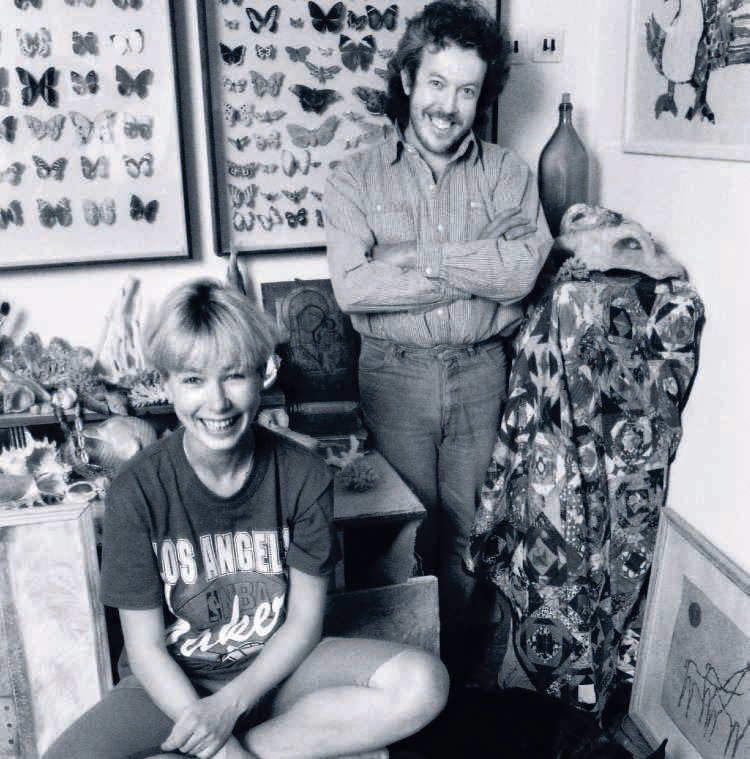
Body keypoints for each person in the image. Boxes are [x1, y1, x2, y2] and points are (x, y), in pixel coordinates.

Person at [43, 279, 449, 759]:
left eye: (234, 376)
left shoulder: (303, 473)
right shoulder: (136, 490)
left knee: (422, 682)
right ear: (165, 385)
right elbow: (146, 649)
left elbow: (303, 622)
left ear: (264, 374)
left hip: (280, 670)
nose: (217, 402)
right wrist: (217, 742)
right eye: (193, 380)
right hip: (173, 686)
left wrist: (229, 710)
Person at [325, 0, 553, 685]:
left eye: (467, 90)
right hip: (392, 375)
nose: (448, 106)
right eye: (436, 83)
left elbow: (522, 272)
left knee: (471, 533)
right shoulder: (353, 176)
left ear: (483, 96)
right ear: (407, 79)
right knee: (401, 534)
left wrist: (413, 260)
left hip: (484, 372)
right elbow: (354, 288)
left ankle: (459, 684)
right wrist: (476, 267)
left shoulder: (508, 173)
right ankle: (400, 683)